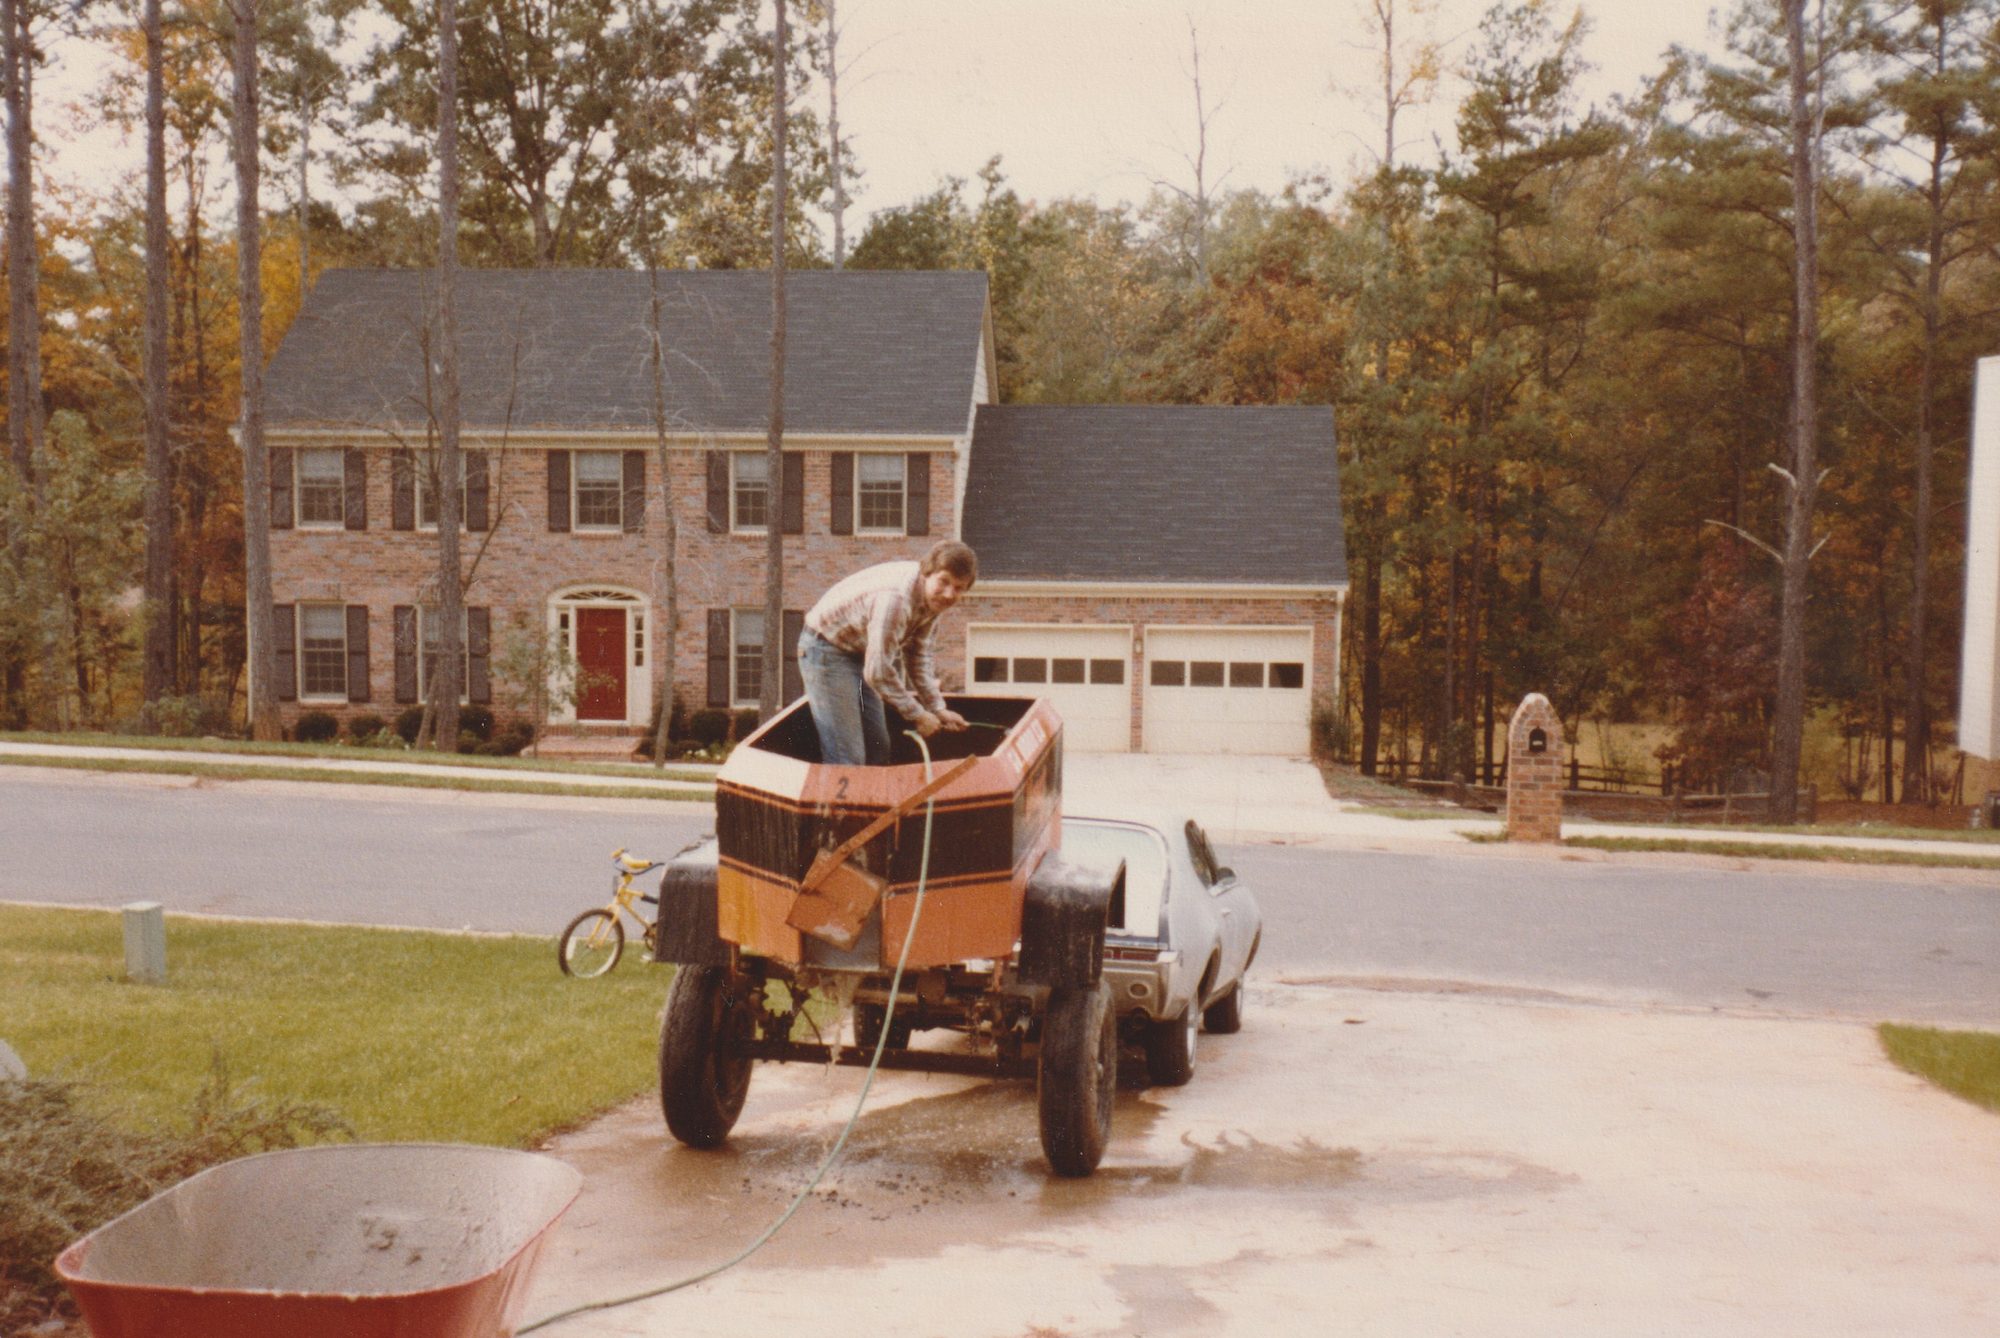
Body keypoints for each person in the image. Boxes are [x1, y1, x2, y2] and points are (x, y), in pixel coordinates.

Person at [797, 540, 978, 765]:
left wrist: (938, 708)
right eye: (944, 582)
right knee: (847, 756)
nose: (949, 594)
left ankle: (868, 800)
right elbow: (878, 672)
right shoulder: (897, 601)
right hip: (825, 647)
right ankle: (840, 801)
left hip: (859, 652)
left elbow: (918, 658)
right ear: (927, 573)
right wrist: (918, 715)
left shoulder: (934, 602)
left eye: (959, 588)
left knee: (878, 747)